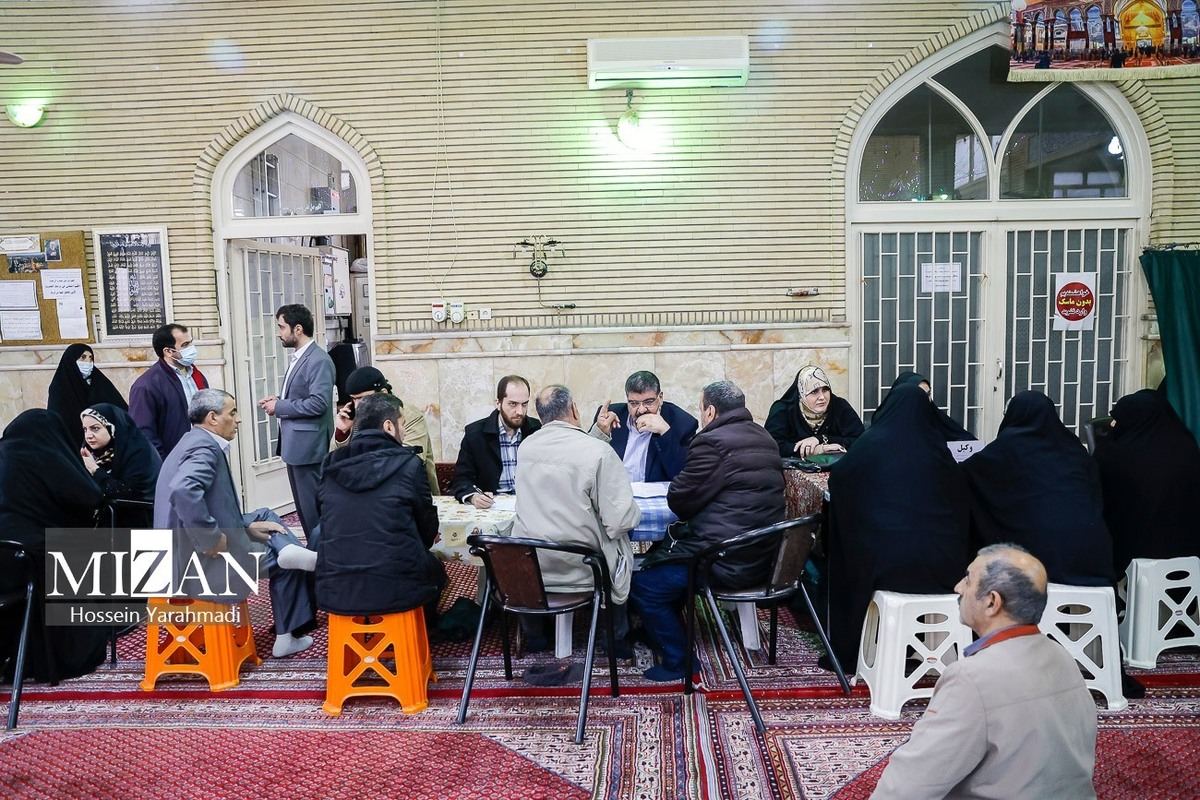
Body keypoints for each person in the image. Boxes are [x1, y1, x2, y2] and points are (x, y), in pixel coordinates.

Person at [870, 544, 1098, 800]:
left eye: (968, 580)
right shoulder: (1061, 655)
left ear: (992, 602)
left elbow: (907, 787)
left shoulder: (971, 677)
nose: (958, 587)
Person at [630, 380, 785, 682]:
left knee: (644, 586)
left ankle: (680, 661)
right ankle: (659, 629)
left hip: (724, 561)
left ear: (710, 411)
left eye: (701, 409)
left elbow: (680, 500)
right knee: (663, 560)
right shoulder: (765, 437)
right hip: (764, 557)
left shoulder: (711, 443)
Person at [155, 389, 320, 658]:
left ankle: (287, 549)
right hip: (198, 562)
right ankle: (286, 637)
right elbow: (183, 490)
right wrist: (210, 538)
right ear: (212, 418)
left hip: (178, 551)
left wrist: (244, 528)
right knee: (286, 566)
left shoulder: (190, 441)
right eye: (232, 413)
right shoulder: (204, 449)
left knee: (264, 515)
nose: (239, 419)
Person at [826, 382, 970, 669]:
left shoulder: (871, 443)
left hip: (884, 567)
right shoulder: (938, 450)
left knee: (851, 555)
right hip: (942, 568)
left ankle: (860, 650)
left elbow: (839, 478)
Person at [512, 385, 641, 648]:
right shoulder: (600, 453)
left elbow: (568, 464)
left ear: (540, 414)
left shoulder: (526, 448)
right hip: (584, 568)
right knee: (620, 547)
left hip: (534, 566)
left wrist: (598, 434)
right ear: (574, 408)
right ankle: (613, 638)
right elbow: (620, 522)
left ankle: (536, 637)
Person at [316, 393, 445, 622]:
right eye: (402, 424)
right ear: (389, 426)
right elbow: (427, 529)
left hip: (337, 589)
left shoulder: (331, 464)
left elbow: (323, 516)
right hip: (398, 587)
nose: (404, 431)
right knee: (435, 569)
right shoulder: (409, 464)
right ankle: (421, 631)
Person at [0, 410, 108, 684]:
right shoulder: (45, 456)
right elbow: (90, 497)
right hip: (30, 562)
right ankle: (51, 660)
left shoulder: (5, 454)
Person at [964, 391, 1114, 586]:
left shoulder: (1006, 448)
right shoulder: (1073, 448)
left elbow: (968, 474)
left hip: (1039, 565)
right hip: (1094, 557)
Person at [1094, 389, 1200, 574]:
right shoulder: (1188, 447)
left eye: (1118, 419)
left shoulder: (1112, 455)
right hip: (1189, 560)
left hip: (1133, 563)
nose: (1112, 424)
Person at [258, 304, 335, 539]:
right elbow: (302, 396)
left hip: (308, 446)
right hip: (297, 445)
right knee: (304, 508)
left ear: (298, 329)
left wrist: (280, 407)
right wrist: (279, 400)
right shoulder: (301, 357)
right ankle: (314, 550)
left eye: (282, 327)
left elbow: (318, 403)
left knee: (313, 510)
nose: (278, 333)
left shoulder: (318, 360)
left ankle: (322, 553)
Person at [329, 365, 438, 495]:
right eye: (353, 399)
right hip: (363, 493)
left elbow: (410, 461)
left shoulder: (408, 415)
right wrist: (342, 432)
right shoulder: (354, 417)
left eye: (363, 398)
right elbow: (333, 463)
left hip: (407, 493)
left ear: (383, 393)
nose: (358, 405)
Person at [589, 370, 698, 483]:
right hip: (616, 492)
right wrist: (600, 433)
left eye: (649, 402)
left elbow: (684, 477)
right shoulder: (611, 417)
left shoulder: (683, 423)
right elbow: (587, 465)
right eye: (634, 403)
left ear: (660, 398)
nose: (641, 410)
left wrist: (665, 432)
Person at [450, 375, 541, 508]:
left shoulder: (536, 430)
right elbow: (461, 479)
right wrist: (474, 497)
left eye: (524, 404)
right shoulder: (475, 434)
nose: (520, 411)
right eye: (513, 404)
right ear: (498, 403)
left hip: (530, 504)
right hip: (493, 506)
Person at [128, 323, 209, 460]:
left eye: (190, 343)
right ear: (168, 351)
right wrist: (165, 464)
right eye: (185, 345)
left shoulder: (196, 375)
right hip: (174, 461)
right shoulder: (146, 385)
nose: (191, 349)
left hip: (203, 454)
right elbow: (144, 433)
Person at [80, 403, 162, 515]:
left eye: (95, 428)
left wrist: (95, 470)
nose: (89, 435)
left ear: (112, 427)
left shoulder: (139, 452)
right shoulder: (93, 454)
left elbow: (127, 493)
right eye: (85, 430)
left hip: (141, 520)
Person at [766, 365, 864, 458]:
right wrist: (814, 451)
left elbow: (860, 440)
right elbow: (771, 446)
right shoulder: (783, 410)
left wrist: (821, 439)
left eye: (825, 390)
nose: (822, 397)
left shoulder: (839, 406)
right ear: (801, 394)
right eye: (814, 392)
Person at [47, 343, 127, 430]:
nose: (88, 362)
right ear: (71, 360)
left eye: (91, 358)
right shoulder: (59, 388)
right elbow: (56, 421)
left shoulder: (99, 381)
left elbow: (120, 408)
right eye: (83, 357)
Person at [886, 371, 974, 441]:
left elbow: (968, 443)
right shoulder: (885, 432)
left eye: (928, 394)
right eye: (919, 395)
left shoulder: (938, 422)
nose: (927, 399)